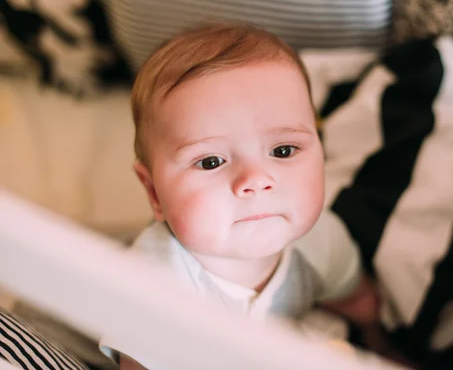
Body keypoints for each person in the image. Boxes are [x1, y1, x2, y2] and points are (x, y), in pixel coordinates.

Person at [101, 21, 380, 370]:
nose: (256, 180)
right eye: (211, 161)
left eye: (282, 150)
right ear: (154, 193)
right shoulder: (151, 288)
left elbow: (361, 306)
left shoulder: (322, 237)